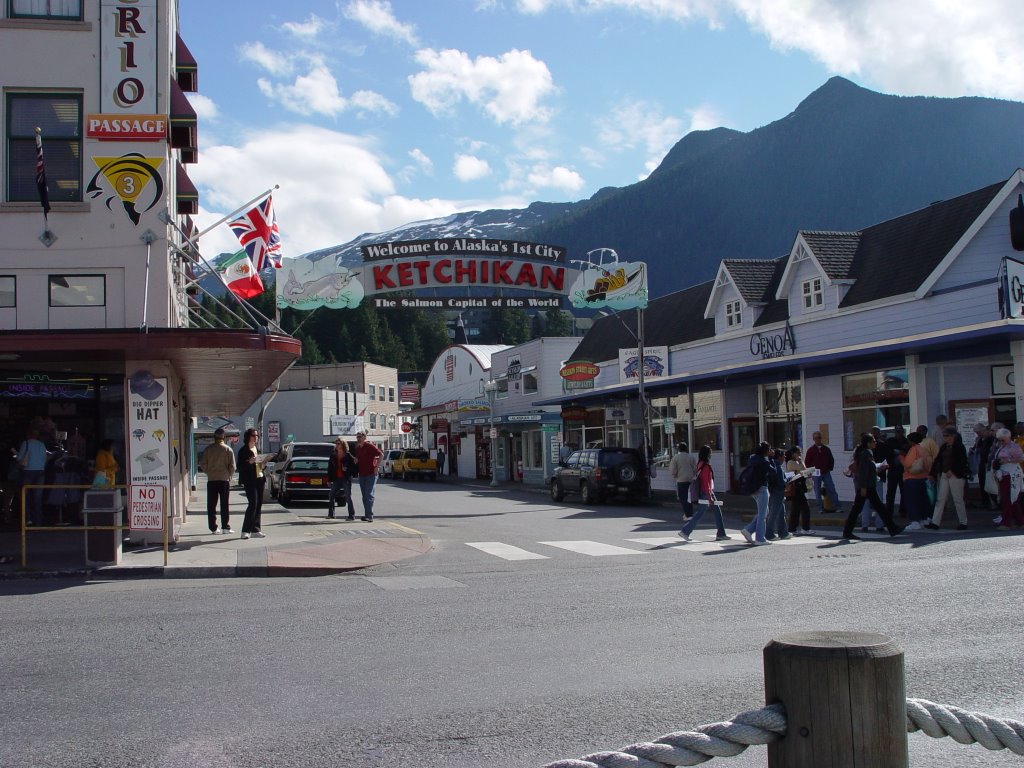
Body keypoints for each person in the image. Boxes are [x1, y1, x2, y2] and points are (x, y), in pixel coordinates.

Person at [841, 433, 904, 540]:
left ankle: (892, 528)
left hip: (868, 485)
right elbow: (863, 472)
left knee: (876, 507)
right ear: (868, 443)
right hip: (866, 486)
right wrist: (863, 487)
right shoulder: (865, 454)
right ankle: (847, 532)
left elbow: (869, 469)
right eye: (873, 441)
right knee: (860, 509)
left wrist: (878, 468)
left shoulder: (866, 453)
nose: (875, 443)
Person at [678, 445, 729, 541]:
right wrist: (710, 497)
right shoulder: (706, 467)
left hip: (704, 492)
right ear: (707, 455)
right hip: (707, 492)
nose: (711, 455)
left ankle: (721, 533)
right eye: (710, 453)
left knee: (715, 512)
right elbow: (707, 483)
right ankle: (685, 531)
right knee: (701, 513)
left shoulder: (700, 464)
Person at [925, 425, 969, 531]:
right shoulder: (944, 447)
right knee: (940, 499)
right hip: (945, 474)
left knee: (958, 499)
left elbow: (962, 461)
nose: (945, 438)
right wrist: (932, 473)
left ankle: (963, 522)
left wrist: (953, 470)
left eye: (947, 435)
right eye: (944, 436)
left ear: (953, 436)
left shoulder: (959, 446)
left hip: (956, 475)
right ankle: (935, 522)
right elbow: (937, 460)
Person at [201, 427, 235, 534]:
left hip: (211, 480)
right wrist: (229, 475)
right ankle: (225, 527)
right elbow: (233, 466)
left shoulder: (208, 449)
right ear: (223, 437)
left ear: (214, 437)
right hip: (224, 479)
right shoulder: (228, 449)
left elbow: (203, 465)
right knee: (224, 504)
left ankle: (213, 528)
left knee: (211, 505)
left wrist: (209, 473)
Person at [991, 427, 1024, 530]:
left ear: (1008, 438)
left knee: (1007, 499)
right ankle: (1020, 521)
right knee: (1011, 500)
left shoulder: (1014, 447)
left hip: (1011, 475)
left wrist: (1007, 460)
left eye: (1003, 440)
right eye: (999, 440)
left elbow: (1021, 458)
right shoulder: (1000, 447)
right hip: (1003, 475)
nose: (1001, 442)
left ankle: (1006, 523)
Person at [741, 441, 773, 545]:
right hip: (762, 488)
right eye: (769, 450)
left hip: (752, 488)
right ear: (766, 451)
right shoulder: (764, 461)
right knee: (762, 515)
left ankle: (749, 529)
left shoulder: (752, 458)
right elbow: (773, 472)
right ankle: (760, 538)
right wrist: (771, 458)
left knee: (764, 512)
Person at [237, 428, 267, 539]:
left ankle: (256, 529)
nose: (256, 437)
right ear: (248, 437)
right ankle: (245, 530)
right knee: (252, 504)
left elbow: (260, 465)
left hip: (260, 478)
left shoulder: (256, 449)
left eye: (257, 435)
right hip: (250, 480)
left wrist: (263, 465)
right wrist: (249, 462)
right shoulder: (243, 451)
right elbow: (240, 467)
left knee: (259, 505)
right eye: (254, 435)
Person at [805, 430, 843, 515]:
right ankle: (820, 508)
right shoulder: (811, 450)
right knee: (817, 491)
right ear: (813, 439)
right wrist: (811, 472)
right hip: (816, 472)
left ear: (821, 438)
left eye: (819, 437)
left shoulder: (826, 449)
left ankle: (838, 507)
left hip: (826, 472)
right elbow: (807, 462)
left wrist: (829, 468)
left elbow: (831, 460)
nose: (817, 439)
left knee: (832, 489)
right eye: (815, 438)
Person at [15, 428, 48, 526]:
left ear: (28, 435)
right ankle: (38, 521)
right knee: (38, 498)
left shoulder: (26, 443)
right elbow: (45, 458)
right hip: (40, 471)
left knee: (25, 496)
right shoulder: (41, 444)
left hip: (28, 471)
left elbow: (20, 458)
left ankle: (27, 519)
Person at [900, 431, 931, 530]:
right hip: (923, 478)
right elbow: (927, 464)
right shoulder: (923, 449)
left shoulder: (913, 449)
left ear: (911, 441)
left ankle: (915, 521)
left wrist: (901, 458)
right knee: (922, 500)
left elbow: (908, 464)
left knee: (912, 501)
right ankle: (923, 519)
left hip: (912, 479)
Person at [352, 431, 384, 522]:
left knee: (368, 494)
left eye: (360, 436)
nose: (358, 438)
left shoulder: (370, 446)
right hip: (362, 474)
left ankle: (369, 516)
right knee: (364, 496)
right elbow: (358, 459)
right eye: (357, 436)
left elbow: (381, 455)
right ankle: (367, 515)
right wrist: (356, 460)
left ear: (364, 437)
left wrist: (377, 467)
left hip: (371, 474)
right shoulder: (357, 448)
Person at [785, 446, 814, 535]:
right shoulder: (791, 462)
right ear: (793, 454)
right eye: (798, 452)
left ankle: (792, 528)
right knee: (805, 508)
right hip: (796, 486)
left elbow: (803, 471)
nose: (799, 454)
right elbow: (803, 469)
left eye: (800, 452)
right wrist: (801, 462)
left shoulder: (797, 462)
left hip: (800, 485)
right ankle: (805, 528)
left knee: (796, 509)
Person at [327, 438, 357, 520]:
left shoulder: (347, 455)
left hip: (345, 478)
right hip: (336, 478)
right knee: (331, 495)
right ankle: (331, 514)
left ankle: (351, 515)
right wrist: (329, 480)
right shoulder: (333, 455)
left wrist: (347, 468)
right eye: (336, 443)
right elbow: (330, 468)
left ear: (343, 444)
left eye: (338, 443)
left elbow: (354, 467)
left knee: (348, 497)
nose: (336, 445)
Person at [764, 448, 790, 540]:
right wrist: (787, 482)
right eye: (783, 456)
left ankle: (783, 532)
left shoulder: (773, 464)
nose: (784, 458)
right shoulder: (777, 466)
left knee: (781, 512)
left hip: (774, 491)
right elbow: (780, 481)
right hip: (778, 491)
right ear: (779, 457)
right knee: (774, 513)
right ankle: (769, 534)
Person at [884, 426, 909, 518]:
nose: (899, 433)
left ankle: (903, 510)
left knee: (904, 491)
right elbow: (887, 452)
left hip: (903, 470)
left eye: (900, 432)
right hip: (893, 469)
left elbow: (908, 453)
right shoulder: (890, 441)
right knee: (891, 491)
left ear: (903, 432)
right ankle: (889, 511)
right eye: (897, 432)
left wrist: (902, 452)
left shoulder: (906, 441)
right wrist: (896, 452)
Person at [668, 441, 696, 520]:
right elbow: (695, 469)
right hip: (690, 480)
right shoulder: (691, 457)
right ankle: (690, 513)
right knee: (689, 498)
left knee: (682, 498)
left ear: (679, 449)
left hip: (681, 480)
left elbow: (673, 470)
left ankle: (688, 515)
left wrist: (674, 475)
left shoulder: (676, 457)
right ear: (686, 449)